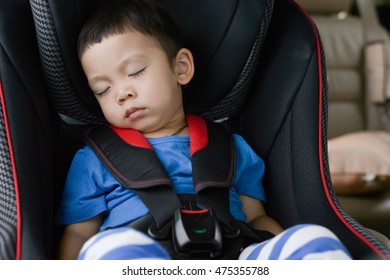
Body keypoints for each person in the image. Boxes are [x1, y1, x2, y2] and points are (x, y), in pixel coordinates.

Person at [56, 0, 352, 260]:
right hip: (139, 254)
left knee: (311, 239)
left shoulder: (231, 148)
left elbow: (256, 217)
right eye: (103, 89)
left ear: (181, 68)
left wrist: (282, 247)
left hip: (232, 255)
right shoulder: (93, 160)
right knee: (108, 247)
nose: (121, 93)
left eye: (135, 72)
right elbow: (80, 234)